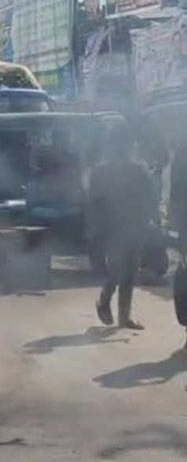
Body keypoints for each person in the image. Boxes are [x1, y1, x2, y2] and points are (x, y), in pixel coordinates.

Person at [88, 123, 156, 331]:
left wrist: (150, 221)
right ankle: (104, 301)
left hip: (133, 227)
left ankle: (124, 318)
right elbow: (94, 202)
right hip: (113, 229)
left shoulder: (138, 169)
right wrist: (95, 228)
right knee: (118, 272)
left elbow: (150, 199)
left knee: (130, 273)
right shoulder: (102, 171)